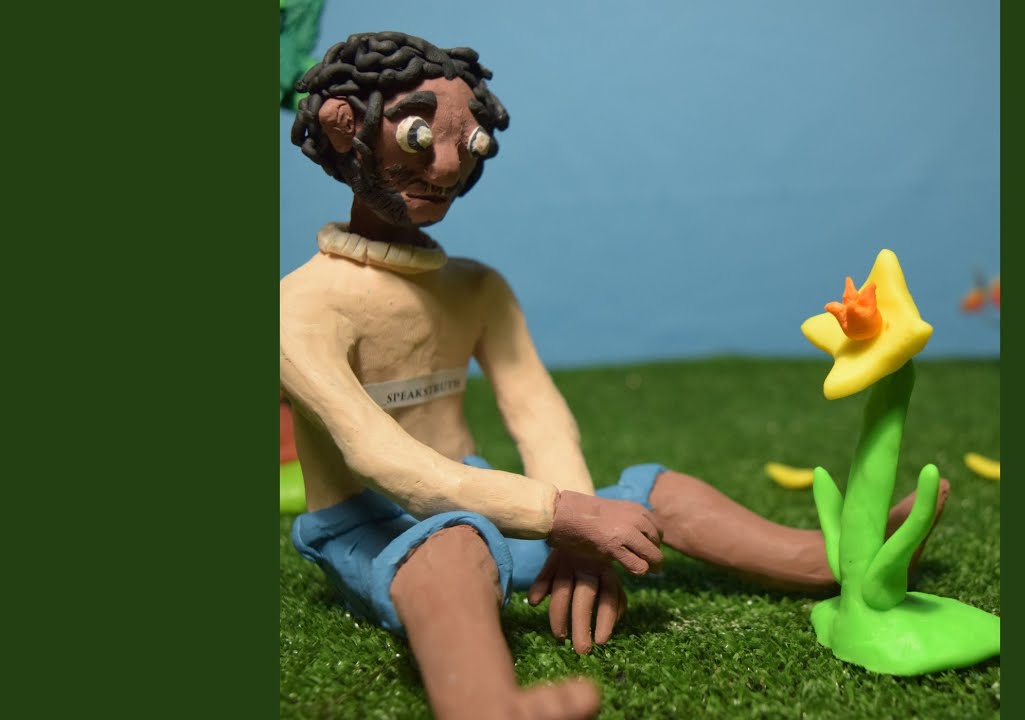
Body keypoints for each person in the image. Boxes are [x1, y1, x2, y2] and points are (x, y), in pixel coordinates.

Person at [281, 31, 948, 720]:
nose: (448, 164)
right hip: (367, 523)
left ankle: (830, 560)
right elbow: (379, 456)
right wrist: (564, 515)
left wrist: (574, 530)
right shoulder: (301, 306)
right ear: (343, 129)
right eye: (419, 136)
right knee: (454, 547)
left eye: (471, 141)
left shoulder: (477, 289)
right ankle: (482, 703)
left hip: (484, 497)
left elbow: (538, 412)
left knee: (656, 493)